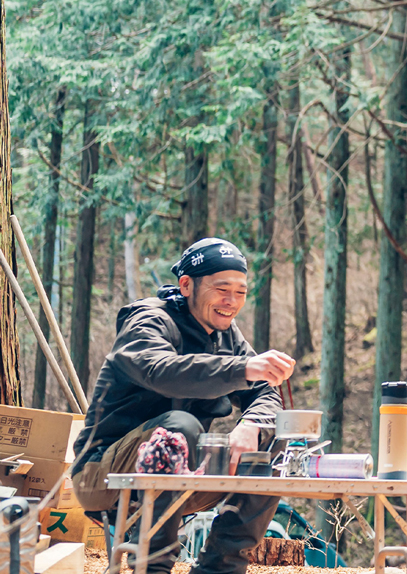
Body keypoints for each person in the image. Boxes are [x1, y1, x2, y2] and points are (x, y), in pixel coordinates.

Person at [71, 238, 298, 574]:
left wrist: (251, 425)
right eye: (222, 289)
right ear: (186, 285)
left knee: (273, 438)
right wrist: (243, 368)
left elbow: (266, 395)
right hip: (104, 476)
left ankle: (218, 568)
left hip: (181, 478)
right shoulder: (148, 320)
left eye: (240, 291)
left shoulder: (227, 336)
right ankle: (153, 566)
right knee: (179, 426)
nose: (231, 302)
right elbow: (160, 370)